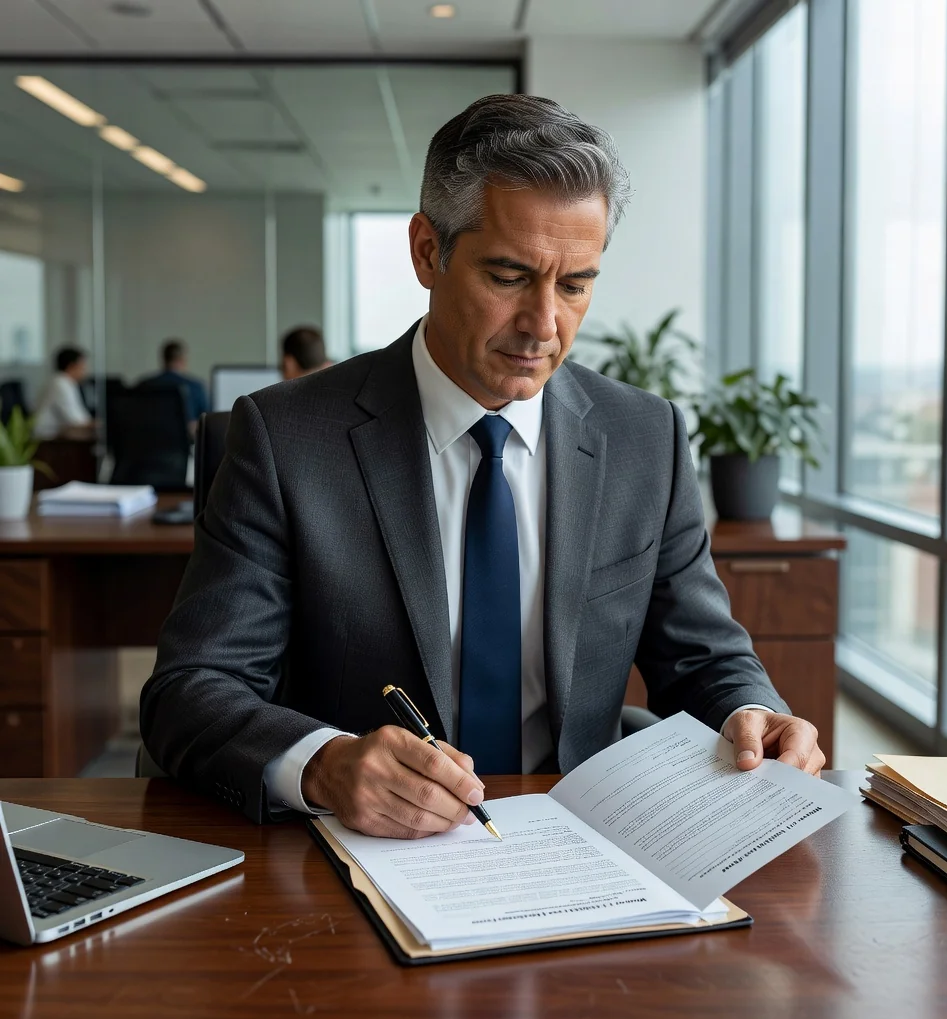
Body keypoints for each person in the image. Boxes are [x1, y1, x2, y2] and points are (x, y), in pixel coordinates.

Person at [141, 94, 825, 835]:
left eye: (575, 285)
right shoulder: (287, 438)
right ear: (428, 252)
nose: (544, 325)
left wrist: (755, 716)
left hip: (583, 849)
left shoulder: (643, 438)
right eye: (508, 277)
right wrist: (324, 763)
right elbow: (190, 689)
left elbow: (702, 658)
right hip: (356, 858)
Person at [138, 339, 209, 429]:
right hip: (182, 441)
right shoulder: (195, 387)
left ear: (164, 359)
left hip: (148, 439)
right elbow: (206, 422)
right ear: (183, 360)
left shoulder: (144, 385)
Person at [33, 347, 93, 439]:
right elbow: (75, 421)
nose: (85, 372)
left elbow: (81, 418)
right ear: (71, 366)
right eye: (83, 367)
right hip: (48, 440)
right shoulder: (60, 384)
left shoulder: (66, 383)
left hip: (56, 436)